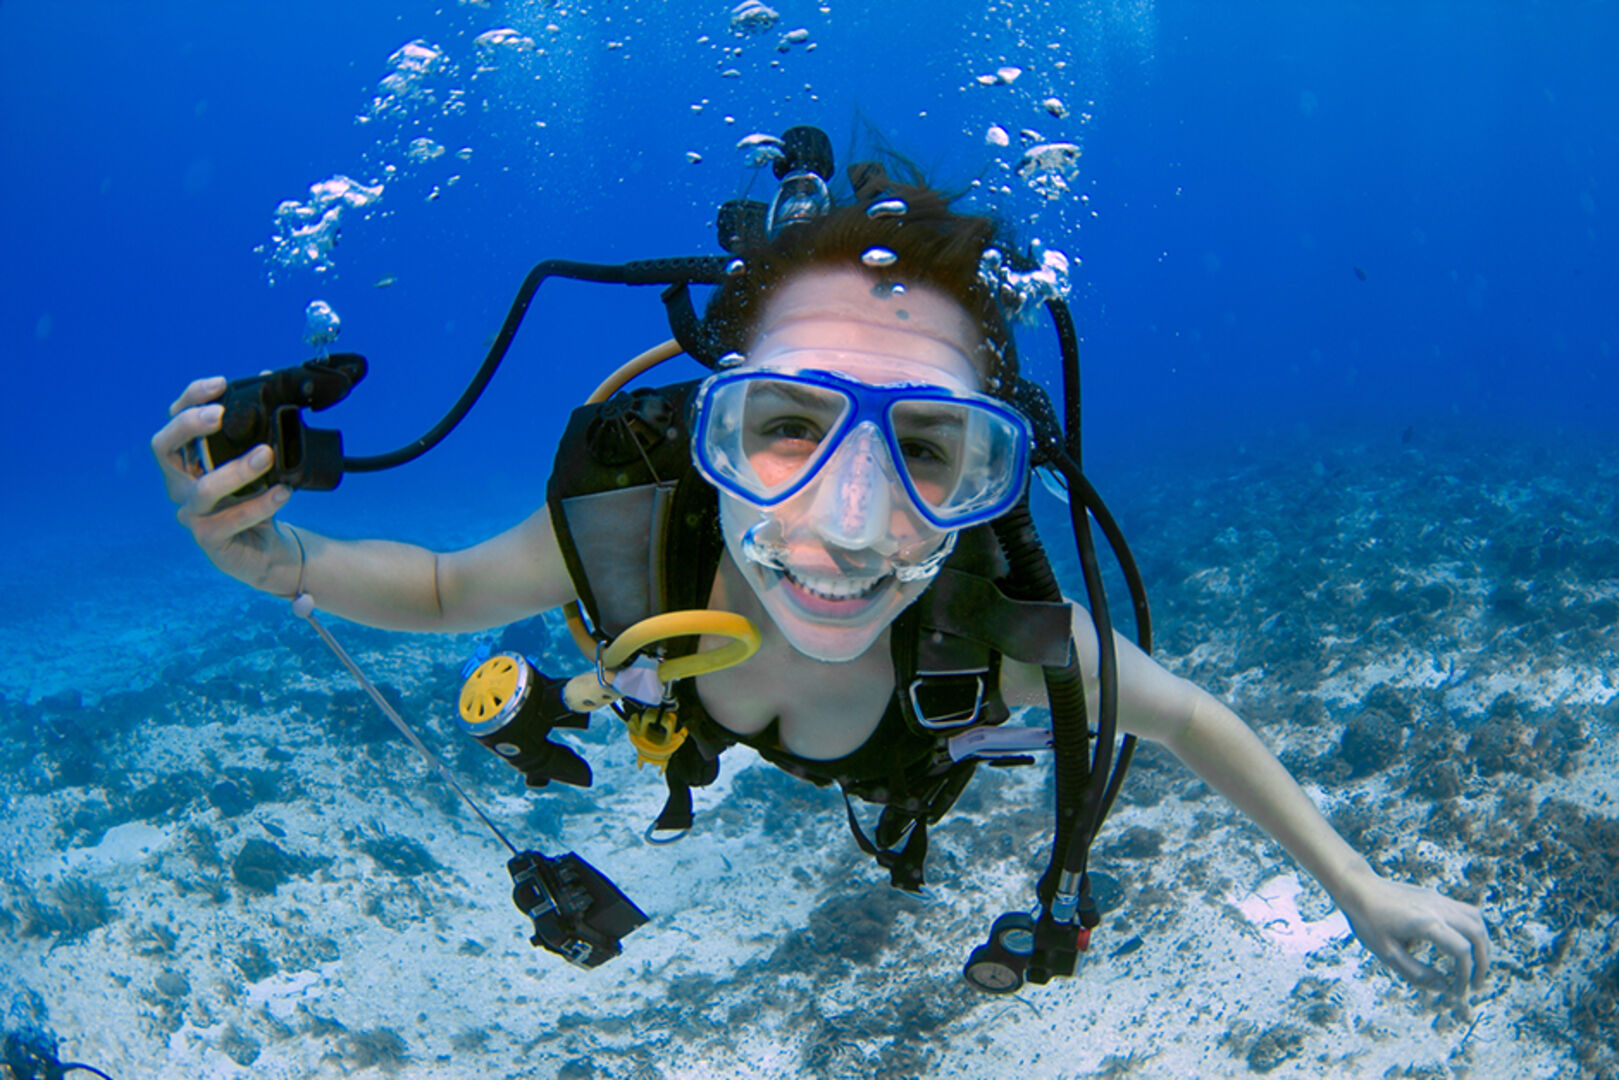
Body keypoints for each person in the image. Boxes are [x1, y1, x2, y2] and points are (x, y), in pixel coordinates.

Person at [152, 147, 1488, 997]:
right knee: (622, 683)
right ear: (707, 429)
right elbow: (444, 590)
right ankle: (589, 697)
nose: (848, 527)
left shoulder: (990, 622)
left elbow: (1188, 718)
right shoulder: (643, 527)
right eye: (784, 427)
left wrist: (1360, 886)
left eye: (932, 452)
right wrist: (284, 560)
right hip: (680, 681)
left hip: (904, 761)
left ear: (991, 473)